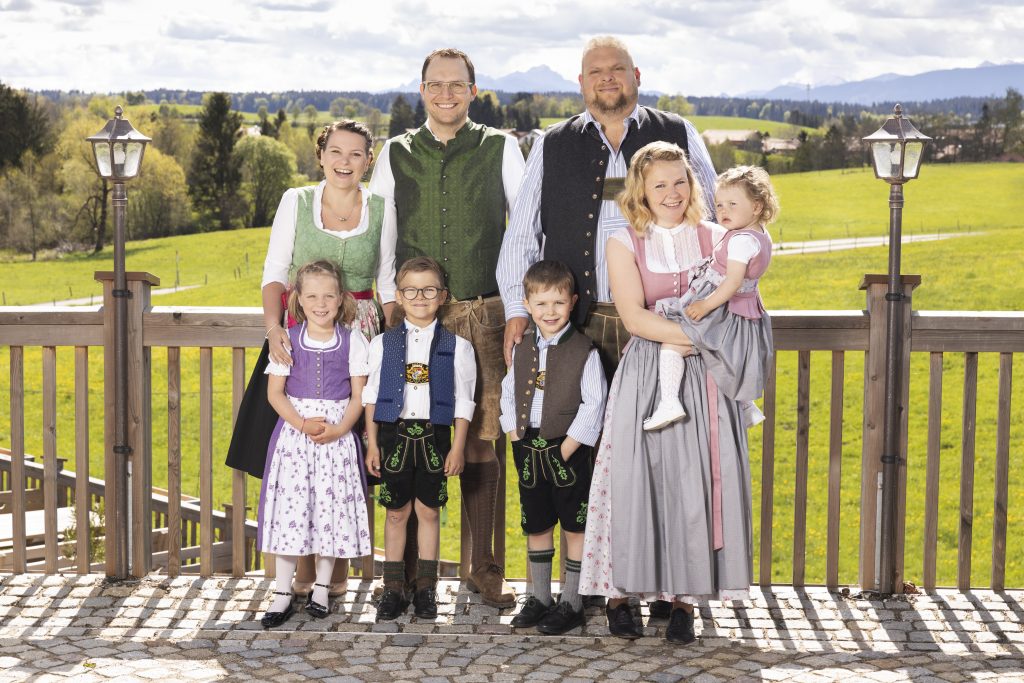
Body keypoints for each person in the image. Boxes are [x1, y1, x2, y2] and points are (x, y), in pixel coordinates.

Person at [580, 141, 753, 644]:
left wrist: (709, 341)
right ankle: (619, 595)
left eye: (680, 181)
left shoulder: (718, 237)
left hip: (706, 378)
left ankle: (683, 599)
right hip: (647, 375)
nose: (672, 192)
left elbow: (741, 303)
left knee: (692, 482)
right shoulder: (623, 241)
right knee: (635, 479)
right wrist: (701, 338)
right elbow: (634, 318)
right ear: (641, 190)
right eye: (660, 184)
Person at [369, 47, 525, 608]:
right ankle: (409, 575)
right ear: (422, 90)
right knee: (410, 434)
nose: (446, 94)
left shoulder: (501, 147)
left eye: (457, 85)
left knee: (481, 441)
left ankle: (483, 567)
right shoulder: (395, 152)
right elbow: (385, 232)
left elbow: (522, 230)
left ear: (473, 91)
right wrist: (390, 301)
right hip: (414, 316)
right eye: (435, 85)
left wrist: (518, 306)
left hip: (483, 314)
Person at [226, 119, 396, 596]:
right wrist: (274, 328)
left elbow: (386, 281)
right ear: (321, 156)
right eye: (336, 151)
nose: (345, 162)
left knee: (349, 454)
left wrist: (392, 344)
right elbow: (275, 271)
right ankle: (301, 574)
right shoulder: (295, 201)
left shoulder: (381, 207)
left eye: (356, 154)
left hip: (360, 335)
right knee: (299, 455)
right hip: (300, 335)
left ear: (368, 161)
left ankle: (334, 575)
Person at [498, 35, 719, 380]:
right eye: (596, 71)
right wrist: (517, 310)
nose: (607, 78)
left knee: (664, 414)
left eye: (617, 69)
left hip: (666, 323)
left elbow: (715, 221)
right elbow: (521, 236)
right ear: (582, 82)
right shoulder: (550, 144)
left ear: (637, 75)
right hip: (575, 325)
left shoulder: (678, 132)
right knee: (578, 416)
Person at [257, 260, 372, 628]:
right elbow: (275, 394)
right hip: (295, 439)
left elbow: (359, 396)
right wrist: (302, 423)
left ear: (341, 299)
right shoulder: (287, 339)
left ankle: (322, 588)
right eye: (312, 297)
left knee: (330, 510)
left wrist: (340, 430)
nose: (320, 304)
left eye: (328, 296)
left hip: (336, 439)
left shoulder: (354, 341)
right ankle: (282, 591)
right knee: (292, 512)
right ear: (299, 301)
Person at [363, 257, 475, 621]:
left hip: (434, 436)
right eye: (411, 290)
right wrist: (372, 443)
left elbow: (464, 402)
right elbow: (371, 396)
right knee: (396, 512)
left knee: (428, 511)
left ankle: (427, 587)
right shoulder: (382, 344)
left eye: (429, 290)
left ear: (442, 296)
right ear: (398, 295)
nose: (420, 297)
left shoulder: (458, 347)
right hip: (393, 435)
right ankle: (393, 588)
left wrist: (457, 447)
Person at [499, 260, 607, 635]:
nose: (550, 311)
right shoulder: (523, 348)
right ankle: (540, 597)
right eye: (541, 303)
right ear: (527, 304)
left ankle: (572, 602)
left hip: (567, 449)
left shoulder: (584, 351)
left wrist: (566, 449)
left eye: (558, 303)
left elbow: (594, 403)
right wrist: (516, 437)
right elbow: (508, 394)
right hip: (528, 447)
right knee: (538, 522)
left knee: (575, 525)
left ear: (572, 302)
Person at [645, 165, 777, 430]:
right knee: (725, 356)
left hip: (721, 308)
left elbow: (733, 282)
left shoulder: (741, 241)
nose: (723, 211)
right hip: (741, 310)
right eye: (719, 205)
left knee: (673, 344)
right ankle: (745, 405)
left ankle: (669, 402)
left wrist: (705, 305)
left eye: (732, 204)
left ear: (756, 207)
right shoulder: (760, 235)